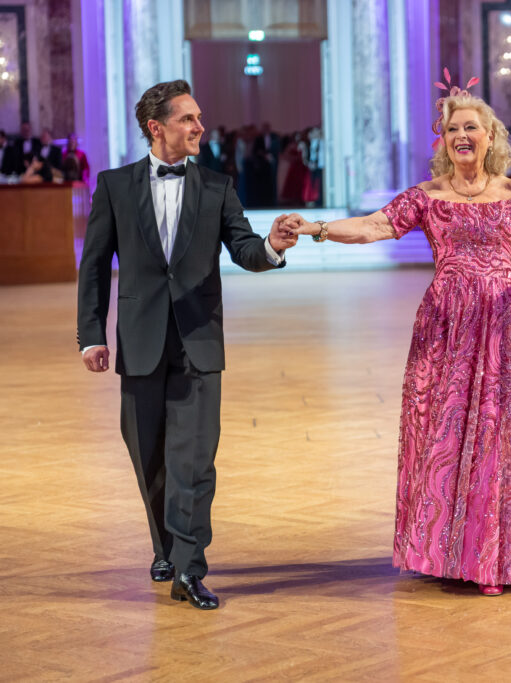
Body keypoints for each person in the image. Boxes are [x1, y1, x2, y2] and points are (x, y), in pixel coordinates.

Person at [285, 84, 511, 596]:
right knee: (442, 434)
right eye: (452, 129)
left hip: (506, 324)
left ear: (491, 137)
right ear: (441, 141)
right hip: (446, 325)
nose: (461, 135)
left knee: (501, 433)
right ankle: (447, 551)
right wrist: (318, 228)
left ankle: (497, 556)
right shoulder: (427, 195)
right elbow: (375, 226)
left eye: (471, 127)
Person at [76, 80, 298, 610]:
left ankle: (189, 569)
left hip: (200, 342)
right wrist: (91, 335)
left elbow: (243, 248)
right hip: (140, 342)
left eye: (199, 118)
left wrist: (270, 245)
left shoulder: (217, 186)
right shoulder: (114, 185)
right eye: (189, 119)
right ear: (158, 128)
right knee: (146, 453)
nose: (200, 127)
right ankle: (166, 547)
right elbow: (94, 266)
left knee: (194, 463)